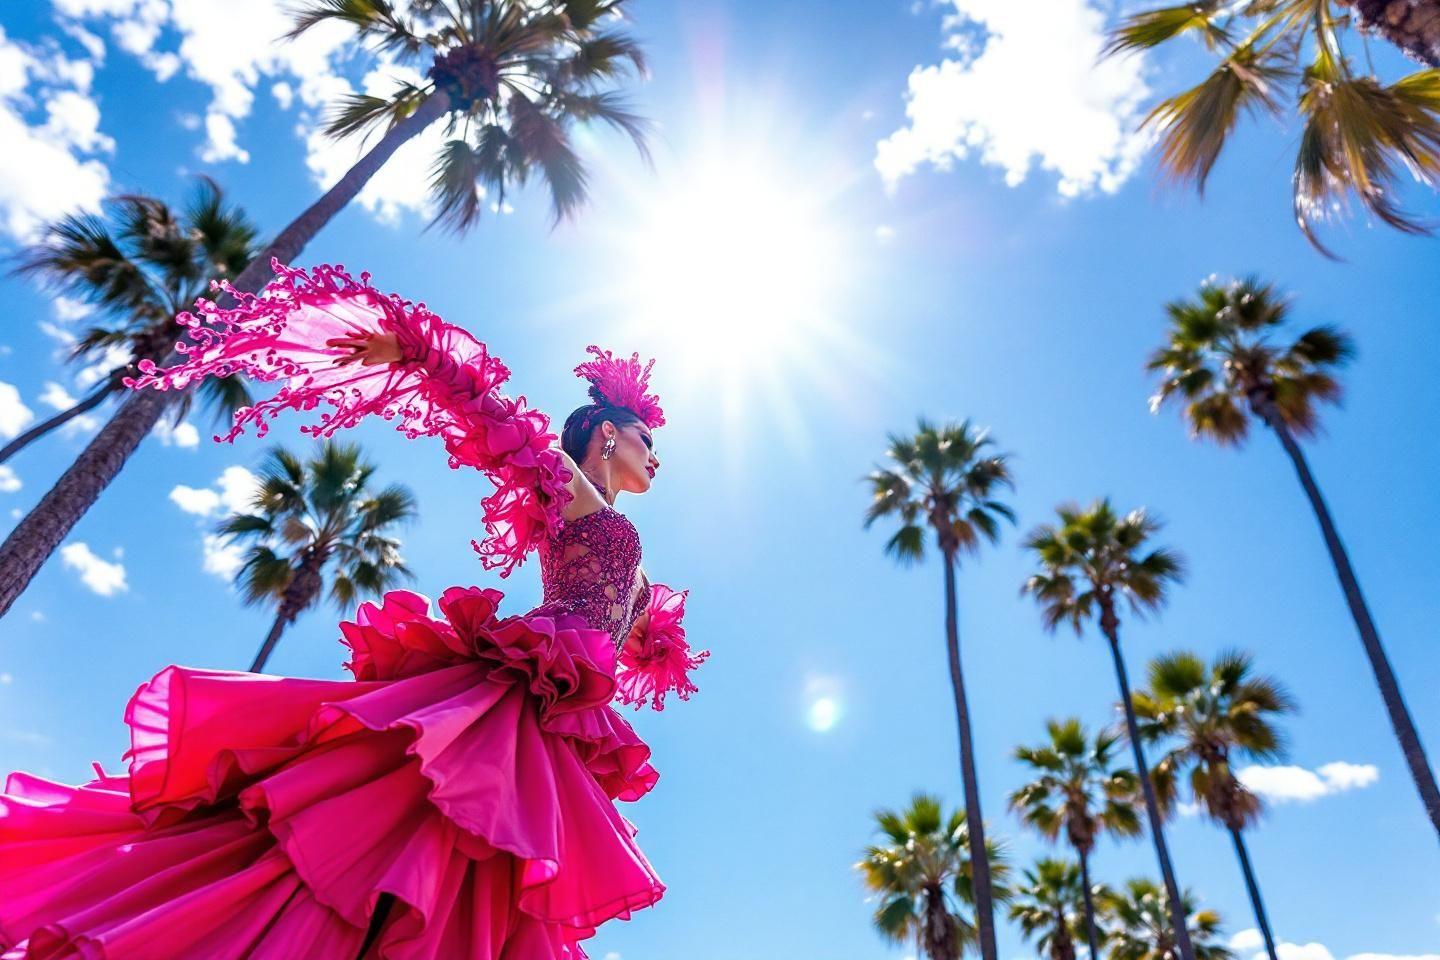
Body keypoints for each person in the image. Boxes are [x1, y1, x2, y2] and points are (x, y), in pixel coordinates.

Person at [0, 260, 708, 959]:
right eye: (649, 438)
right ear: (606, 434)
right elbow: (502, 429)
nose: (657, 456)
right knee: (403, 832)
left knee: (480, 876)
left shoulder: (626, 545)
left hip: (557, 721)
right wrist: (418, 354)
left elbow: (630, 620)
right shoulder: (572, 492)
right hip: (510, 702)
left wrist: (656, 641)